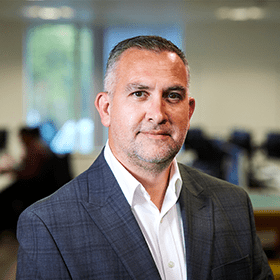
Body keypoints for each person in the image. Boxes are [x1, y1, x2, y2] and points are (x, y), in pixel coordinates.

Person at [16, 36, 273, 279]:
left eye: (172, 96)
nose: (157, 114)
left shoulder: (233, 203)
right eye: (139, 93)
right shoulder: (48, 224)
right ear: (106, 109)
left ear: (189, 110)